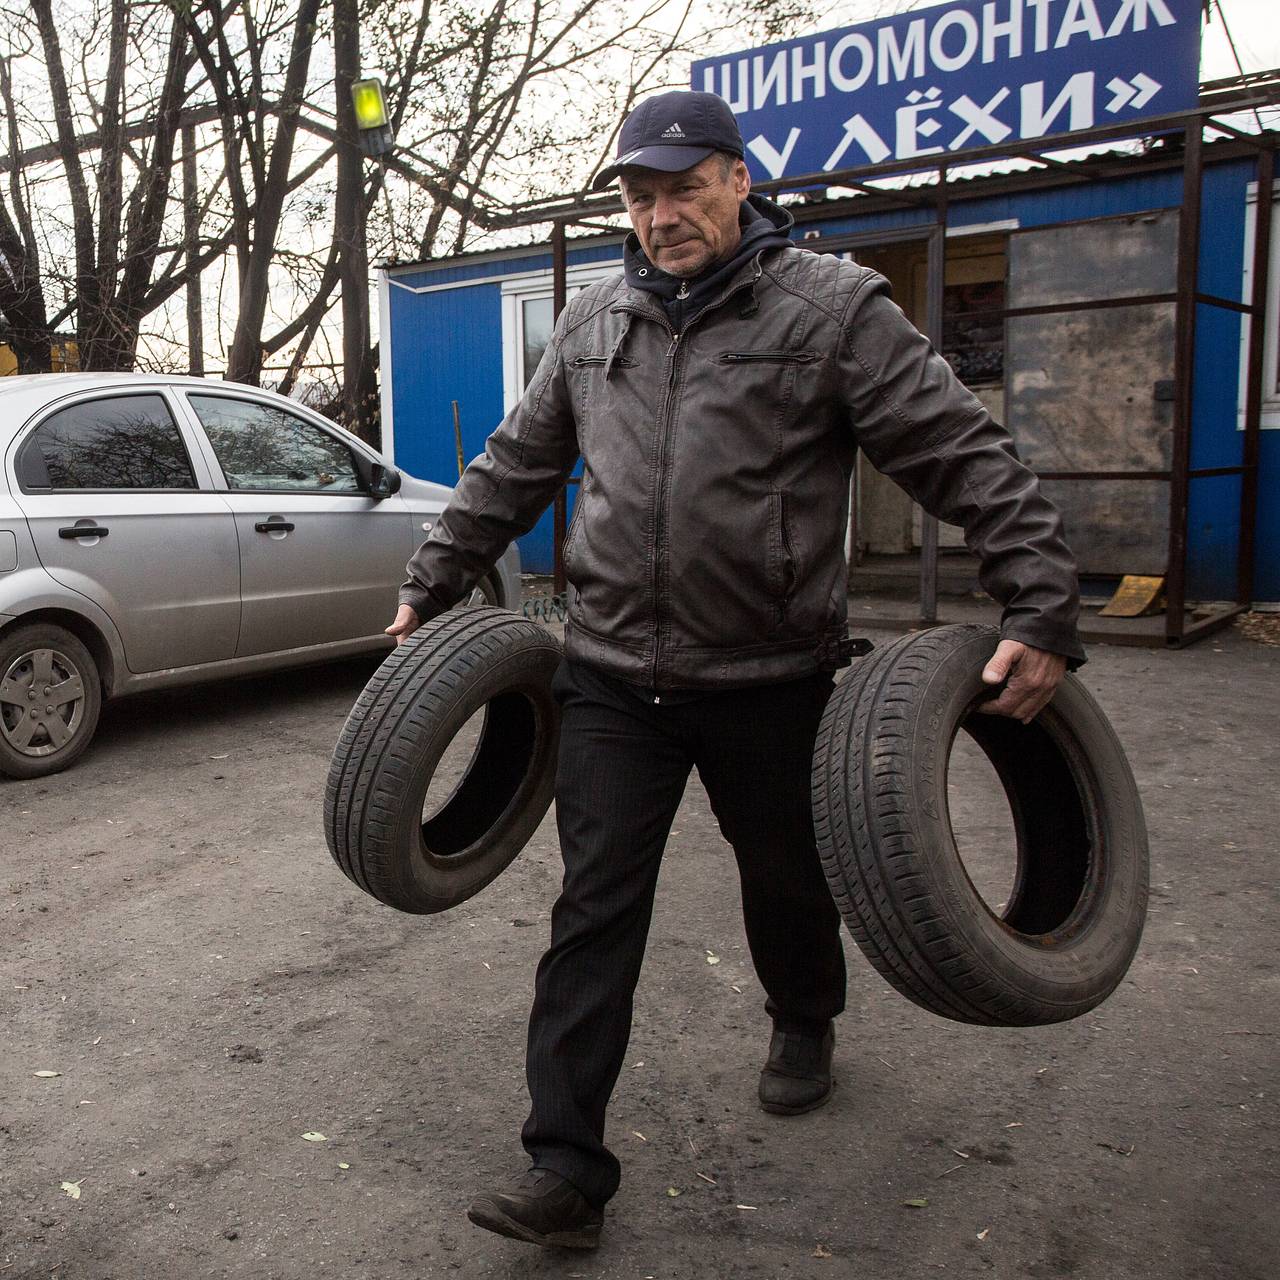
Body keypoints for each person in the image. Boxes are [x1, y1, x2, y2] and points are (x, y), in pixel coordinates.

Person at [386, 89, 1084, 1250]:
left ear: (737, 179)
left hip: (771, 671)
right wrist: (436, 571)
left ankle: (804, 1016)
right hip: (611, 674)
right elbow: (516, 462)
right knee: (592, 908)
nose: (663, 214)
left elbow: (954, 449)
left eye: (684, 187)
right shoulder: (592, 321)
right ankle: (562, 1165)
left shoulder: (832, 309)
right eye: (641, 194)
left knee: (786, 876)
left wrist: (1040, 598)